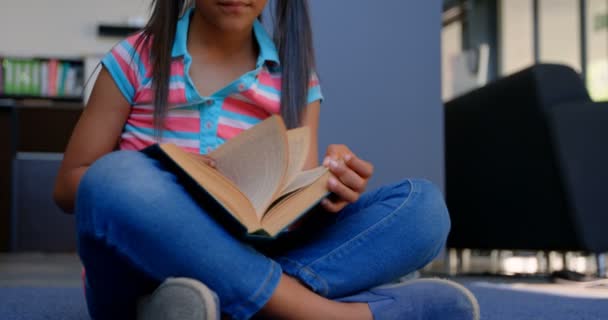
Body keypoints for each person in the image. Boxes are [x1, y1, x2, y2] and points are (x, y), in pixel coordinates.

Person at [53, 0, 479, 319]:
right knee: (113, 180)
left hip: (254, 251)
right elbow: (71, 185)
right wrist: (172, 170)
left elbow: (289, 214)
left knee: (422, 209)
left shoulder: (296, 78)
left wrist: (330, 187)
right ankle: (323, 312)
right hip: (138, 270)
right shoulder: (135, 59)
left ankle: (217, 304)